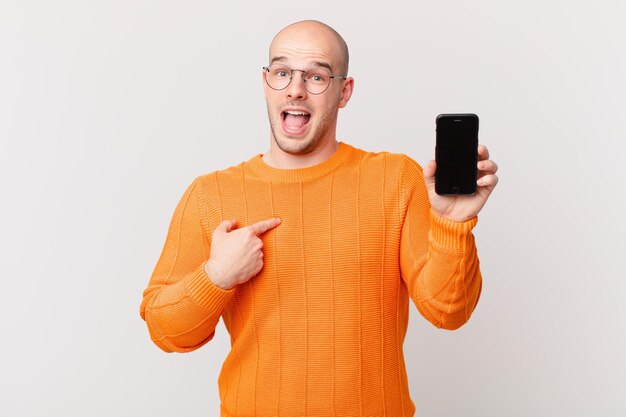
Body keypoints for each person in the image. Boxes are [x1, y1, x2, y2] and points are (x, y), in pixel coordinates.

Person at [140, 19, 498, 417]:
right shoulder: (211, 195)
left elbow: (448, 311)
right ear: (265, 83)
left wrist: (452, 224)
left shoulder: (396, 179)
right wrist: (217, 276)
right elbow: (166, 331)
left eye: (316, 76)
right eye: (282, 72)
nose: (295, 88)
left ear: (344, 92)